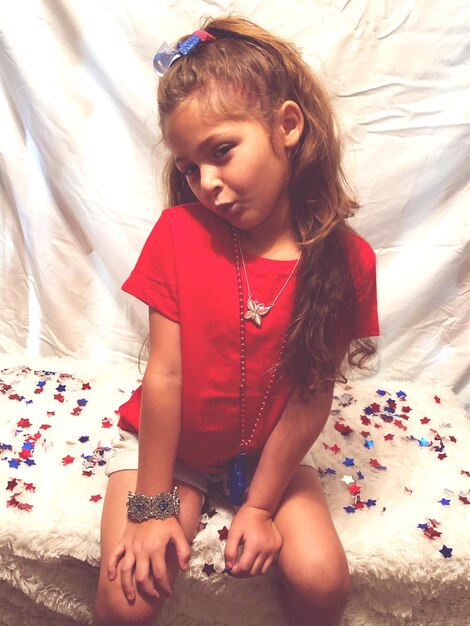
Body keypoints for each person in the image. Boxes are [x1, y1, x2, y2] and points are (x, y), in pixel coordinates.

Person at [93, 15, 379, 626]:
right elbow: (164, 377)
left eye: (221, 151)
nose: (206, 184)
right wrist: (151, 504)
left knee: (323, 578)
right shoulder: (177, 234)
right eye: (190, 166)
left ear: (288, 126)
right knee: (127, 597)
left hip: (267, 453)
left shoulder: (346, 261)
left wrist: (260, 505)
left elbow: (309, 394)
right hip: (173, 452)